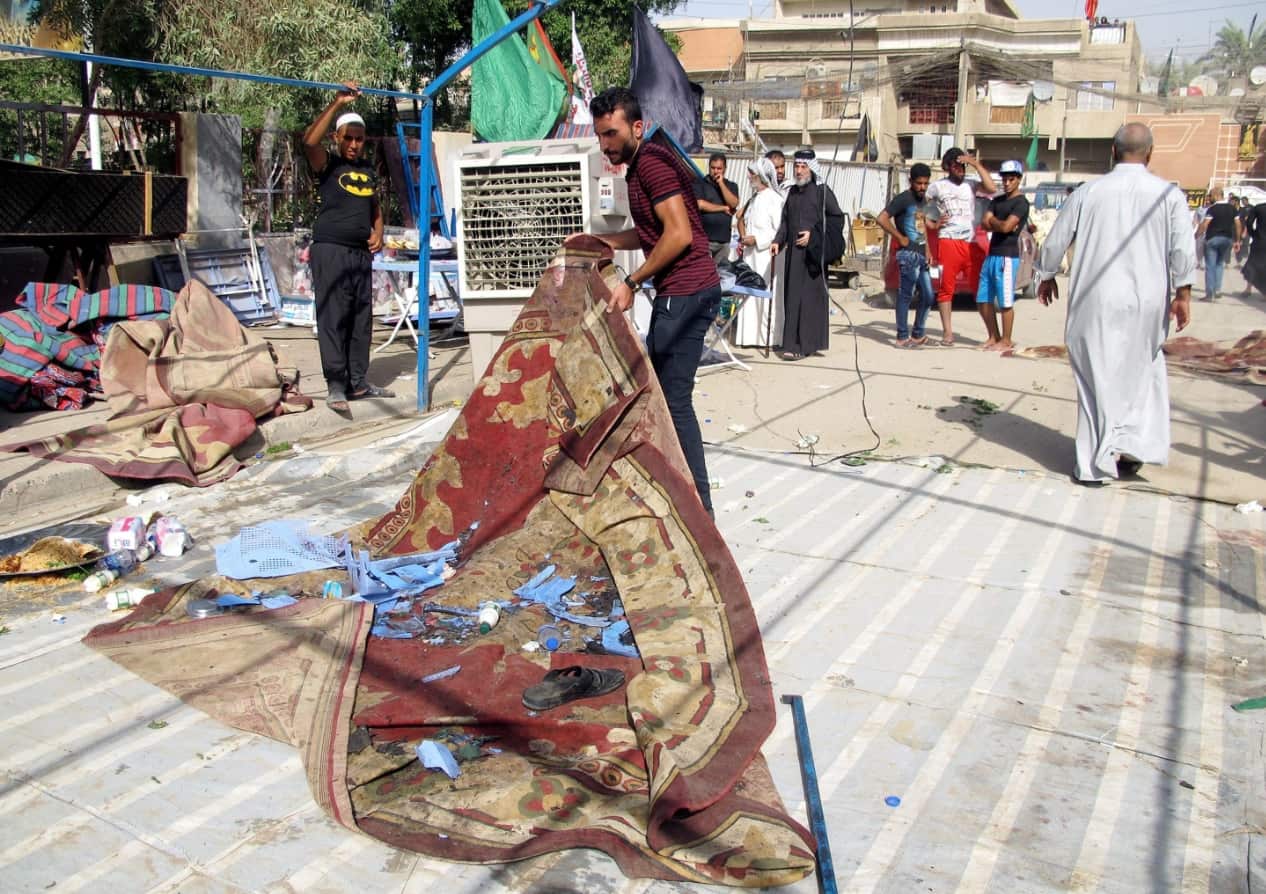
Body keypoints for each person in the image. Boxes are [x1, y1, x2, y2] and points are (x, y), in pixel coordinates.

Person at [1035, 123, 1195, 485]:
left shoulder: (1089, 192)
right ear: (1150, 153)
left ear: (1112, 151)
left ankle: (1095, 464)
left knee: (1095, 376)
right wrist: (1183, 294)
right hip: (1147, 300)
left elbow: (1057, 239)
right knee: (1140, 373)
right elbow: (1183, 249)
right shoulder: (1168, 195)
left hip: (1096, 298)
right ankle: (1131, 448)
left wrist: (1045, 275)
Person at [587, 88, 722, 517]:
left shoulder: (652, 165)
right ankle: (685, 493)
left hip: (685, 292)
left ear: (638, 127)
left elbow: (679, 235)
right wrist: (606, 240)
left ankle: (699, 508)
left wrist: (631, 280)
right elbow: (653, 232)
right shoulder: (641, 167)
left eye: (611, 133)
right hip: (684, 290)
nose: (605, 144)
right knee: (666, 396)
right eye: (600, 136)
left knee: (672, 400)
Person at [302, 83, 393, 412]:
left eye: (359, 139)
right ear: (337, 139)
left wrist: (379, 232)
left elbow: (375, 207)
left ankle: (358, 382)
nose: (354, 144)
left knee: (360, 317)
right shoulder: (328, 166)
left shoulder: (367, 171)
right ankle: (336, 385)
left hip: (359, 253)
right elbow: (309, 141)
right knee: (334, 315)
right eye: (348, 138)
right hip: (330, 249)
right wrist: (337, 103)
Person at [771, 149, 844, 360]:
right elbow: (786, 220)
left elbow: (836, 219)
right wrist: (778, 241)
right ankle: (791, 343)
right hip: (794, 255)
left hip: (813, 256)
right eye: (797, 166)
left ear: (812, 169)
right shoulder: (792, 192)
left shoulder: (822, 192)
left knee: (809, 300)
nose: (799, 171)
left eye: (803, 167)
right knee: (793, 298)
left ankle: (806, 345)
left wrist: (814, 236)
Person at [924, 147, 996, 346]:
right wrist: (934, 223)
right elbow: (923, 209)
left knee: (981, 289)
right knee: (946, 289)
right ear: (948, 167)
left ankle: (992, 334)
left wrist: (975, 164)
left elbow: (991, 188)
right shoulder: (937, 187)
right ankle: (948, 333)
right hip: (948, 241)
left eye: (963, 165)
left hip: (971, 243)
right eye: (957, 165)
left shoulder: (971, 185)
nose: (961, 169)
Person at [877, 162, 935, 347]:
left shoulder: (925, 201)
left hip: (921, 254)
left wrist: (928, 250)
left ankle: (918, 333)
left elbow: (924, 226)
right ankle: (902, 336)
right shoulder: (903, 199)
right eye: (919, 183)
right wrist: (899, 237)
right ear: (911, 181)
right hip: (908, 255)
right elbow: (882, 218)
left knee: (927, 295)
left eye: (925, 184)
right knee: (906, 295)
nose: (922, 187)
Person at [976, 159, 1030, 351]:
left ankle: (1006, 340)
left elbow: (1008, 227)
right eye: (1004, 179)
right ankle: (993, 336)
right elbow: (984, 223)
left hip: (1007, 256)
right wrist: (1000, 224)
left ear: (1018, 179)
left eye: (1011, 179)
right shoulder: (997, 200)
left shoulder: (1021, 203)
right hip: (992, 254)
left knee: (1005, 301)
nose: (1007, 183)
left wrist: (996, 223)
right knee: (983, 299)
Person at [734, 157, 785, 347]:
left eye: (752, 174)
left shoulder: (775, 199)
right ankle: (749, 338)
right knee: (748, 295)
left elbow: (780, 231)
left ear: (762, 176)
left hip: (766, 258)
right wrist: (745, 238)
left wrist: (758, 240)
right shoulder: (754, 198)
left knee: (765, 297)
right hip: (750, 256)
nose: (749, 177)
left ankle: (769, 339)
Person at [694, 152, 740, 262]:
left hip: (724, 241)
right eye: (713, 168)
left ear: (724, 169)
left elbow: (733, 203)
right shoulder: (700, 183)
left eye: (719, 168)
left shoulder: (731, 186)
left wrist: (721, 184)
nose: (715, 171)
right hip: (705, 239)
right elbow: (700, 204)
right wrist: (724, 208)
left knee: (721, 274)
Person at [1197, 187, 1241, 300]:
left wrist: (1197, 234)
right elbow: (1238, 224)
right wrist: (1238, 240)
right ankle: (1217, 290)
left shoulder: (1212, 209)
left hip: (1213, 238)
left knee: (1210, 266)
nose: (1210, 198)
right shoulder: (1232, 209)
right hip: (1227, 239)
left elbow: (1205, 224)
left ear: (1215, 195)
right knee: (1219, 264)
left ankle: (1209, 293)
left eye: (1211, 195)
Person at [1243, 199, 1266, 297]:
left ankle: (1248, 288)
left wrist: (1253, 234)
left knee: (1252, 263)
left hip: (1259, 240)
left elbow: (1249, 222)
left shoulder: (1259, 208)